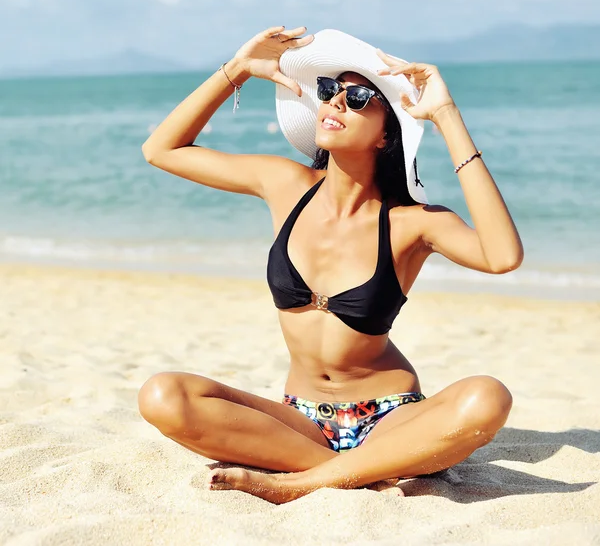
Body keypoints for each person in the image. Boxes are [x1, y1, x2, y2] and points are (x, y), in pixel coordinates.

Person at [137, 25, 523, 504]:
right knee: (162, 394)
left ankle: (303, 482)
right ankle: (355, 473)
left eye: (359, 97)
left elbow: (503, 256)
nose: (336, 102)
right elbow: (161, 150)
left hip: (391, 420)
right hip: (300, 422)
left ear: (388, 136)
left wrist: (444, 115)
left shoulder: (412, 224)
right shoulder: (285, 185)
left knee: (488, 396)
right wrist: (238, 68)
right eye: (329, 91)